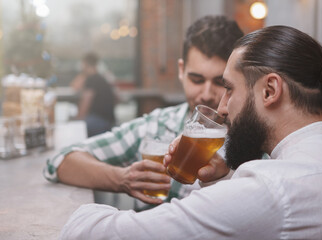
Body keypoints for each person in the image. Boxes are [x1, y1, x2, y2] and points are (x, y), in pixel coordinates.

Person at [60, 25, 322, 240]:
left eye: (228, 88)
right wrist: (221, 181)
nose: (222, 106)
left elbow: (90, 232)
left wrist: (83, 212)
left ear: (270, 90)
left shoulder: (269, 187)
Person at [44, 16, 244, 210]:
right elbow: (59, 162)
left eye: (220, 83)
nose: (207, 94)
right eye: (196, 80)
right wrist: (122, 179)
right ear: (181, 70)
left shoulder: (254, 140)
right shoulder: (156, 126)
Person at [73, 52, 116, 137]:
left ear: (85, 64)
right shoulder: (101, 78)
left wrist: (77, 120)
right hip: (108, 121)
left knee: (74, 129)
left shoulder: (92, 79)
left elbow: (85, 103)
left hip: (98, 122)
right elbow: (75, 87)